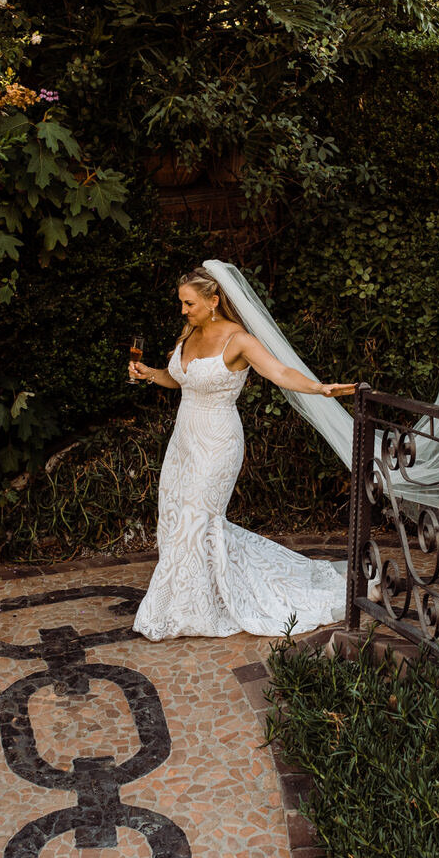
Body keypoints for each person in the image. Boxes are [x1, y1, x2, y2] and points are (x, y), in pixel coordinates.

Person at [127, 266, 355, 640]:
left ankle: (179, 610)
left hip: (218, 442)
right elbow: (178, 378)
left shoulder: (239, 341)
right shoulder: (189, 334)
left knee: (197, 520)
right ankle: (196, 599)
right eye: (182, 303)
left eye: (190, 303)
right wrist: (149, 372)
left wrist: (319, 388)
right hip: (183, 441)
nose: (183, 310)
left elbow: (280, 373)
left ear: (213, 300)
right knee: (174, 516)